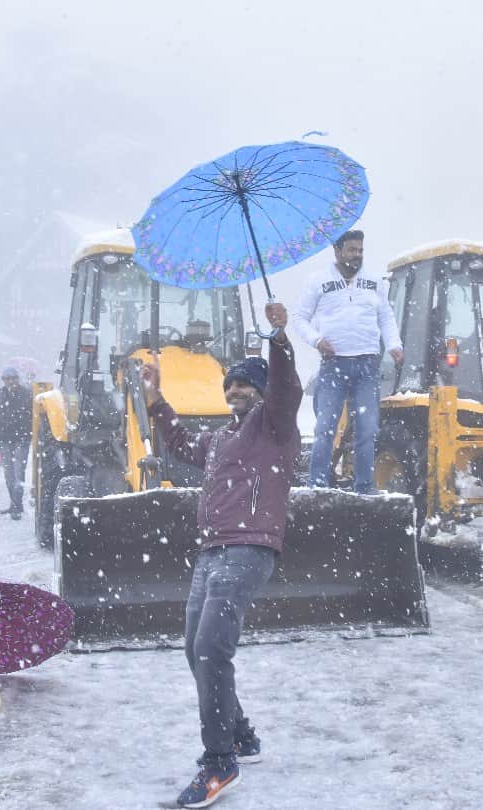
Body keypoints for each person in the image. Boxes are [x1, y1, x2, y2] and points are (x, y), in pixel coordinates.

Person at [141, 303, 301, 809]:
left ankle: (219, 761)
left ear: (262, 391)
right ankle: (242, 735)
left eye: (245, 384)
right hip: (210, 551)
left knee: (212, 648)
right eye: (229, 385)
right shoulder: (221, 437)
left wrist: (278, 337)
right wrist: (155, 400)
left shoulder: (273, 426)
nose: (234, 390)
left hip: (248, 548)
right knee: (195, 647)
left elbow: (287, 388)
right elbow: (184, 444)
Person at [292, 230, 403, 493]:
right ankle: (317, 486)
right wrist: (317, 340)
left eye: (360, 250)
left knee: (367, 430)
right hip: (333, 366)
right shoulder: (318, 281)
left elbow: (385, 317)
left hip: (367, 365)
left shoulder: (374, 280)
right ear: (338, 250)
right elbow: (299, 318)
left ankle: (364, 487)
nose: (357, 255)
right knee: (325, 429)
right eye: (352, 250)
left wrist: (395, 345)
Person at [0, 367, 33, 520]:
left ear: (18, 379)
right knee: (8, 474)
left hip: (21, 439)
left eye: (13, 378)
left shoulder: (27, 394)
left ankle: (16, 506)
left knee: (18, 473)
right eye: (8, 379)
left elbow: (34, 417)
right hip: (4, 439)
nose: (11, 382)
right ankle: (14, 503)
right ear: (3, 380)